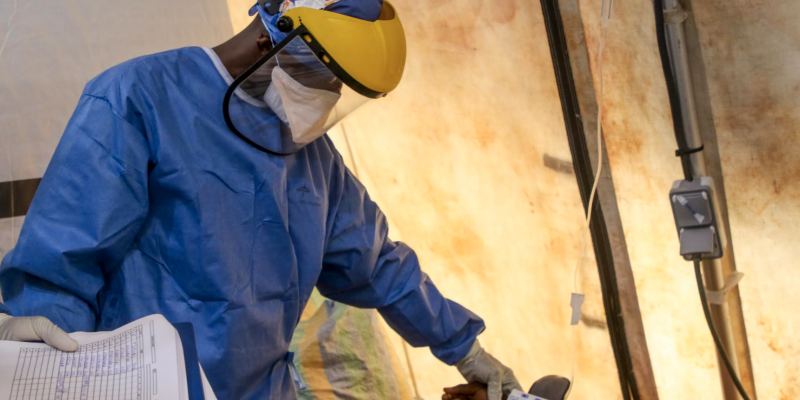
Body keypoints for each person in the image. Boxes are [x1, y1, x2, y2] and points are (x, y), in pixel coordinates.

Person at [0, 1, 522, 399]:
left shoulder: (314, 158)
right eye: (326, 73)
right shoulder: (138, 98)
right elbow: (60, 268)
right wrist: (54, 380)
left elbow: (378, 264)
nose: (332, 94)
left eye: (343, 85)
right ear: (272, 32)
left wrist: (465, 349)